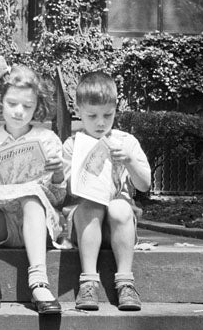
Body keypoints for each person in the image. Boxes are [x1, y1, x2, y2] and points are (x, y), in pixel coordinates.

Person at [0, 62, 67, 315]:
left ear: (37, 107)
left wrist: (59, 173)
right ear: (0, 102)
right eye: (12, 104)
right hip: (3, 223)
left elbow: (60, 199)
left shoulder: (47, 140)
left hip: (38, 222)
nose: (19, 111)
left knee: (30, 195)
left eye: (27, 106)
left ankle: (39, 282)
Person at [61, 71, 152, 311]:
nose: (100, 122)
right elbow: (64, 190)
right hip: (85, 220)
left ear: (115, 110)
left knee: (120, 207)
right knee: (90, 206)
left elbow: (144, 185)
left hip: (117, 222)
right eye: (92, 116)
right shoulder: (73, 145)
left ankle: (125, 282)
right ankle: (89, 281)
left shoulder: (125, 141)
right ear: (79, 111)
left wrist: (130, 161)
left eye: (107, 115)